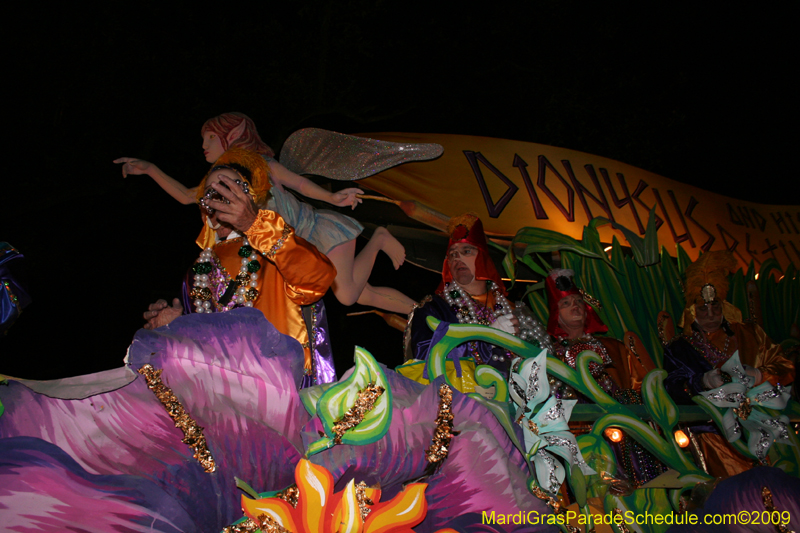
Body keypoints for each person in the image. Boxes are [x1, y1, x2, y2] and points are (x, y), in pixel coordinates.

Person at [115, 112, 418, 314]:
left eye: (209, 138)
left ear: (232, 136)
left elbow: (299, 182)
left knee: (347, 296)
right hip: (295, 249)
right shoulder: (223, 180)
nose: (203, 146)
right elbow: (185, 196)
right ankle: (422, 312)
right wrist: (150, 169)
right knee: (364, 294)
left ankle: (378, 238)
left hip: (319, 232)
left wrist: (332, 197)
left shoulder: (260, 165)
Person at [143, 148, 337, 387]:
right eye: (212, 191)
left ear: (251, 197)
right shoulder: (197, 271)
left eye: (232, 186)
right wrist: (173, 328)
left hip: (282, 385)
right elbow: (202, 348)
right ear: (205, 209)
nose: (222, 193)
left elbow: (319, 277)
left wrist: (253, 224)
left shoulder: (274, 244)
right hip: (223, 393)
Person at [662, 251, 795, 477]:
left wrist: (761, 375)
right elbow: (671, 387)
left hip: (766, 425)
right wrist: (701, 382)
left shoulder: (751, 335)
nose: (711, 314)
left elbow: (786, 367)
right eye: (704, 308)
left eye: (716, 306)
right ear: (693, 310)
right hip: (712, 434)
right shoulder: (679, 348)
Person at [400, 213, 550, 393]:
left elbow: (545, 360)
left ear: (483, 257)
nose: (457, 259)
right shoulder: (433, 309)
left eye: (466, 251)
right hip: (465, 409)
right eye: (452, 254)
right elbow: (427, 360)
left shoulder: (515, 309)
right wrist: (487, 339)